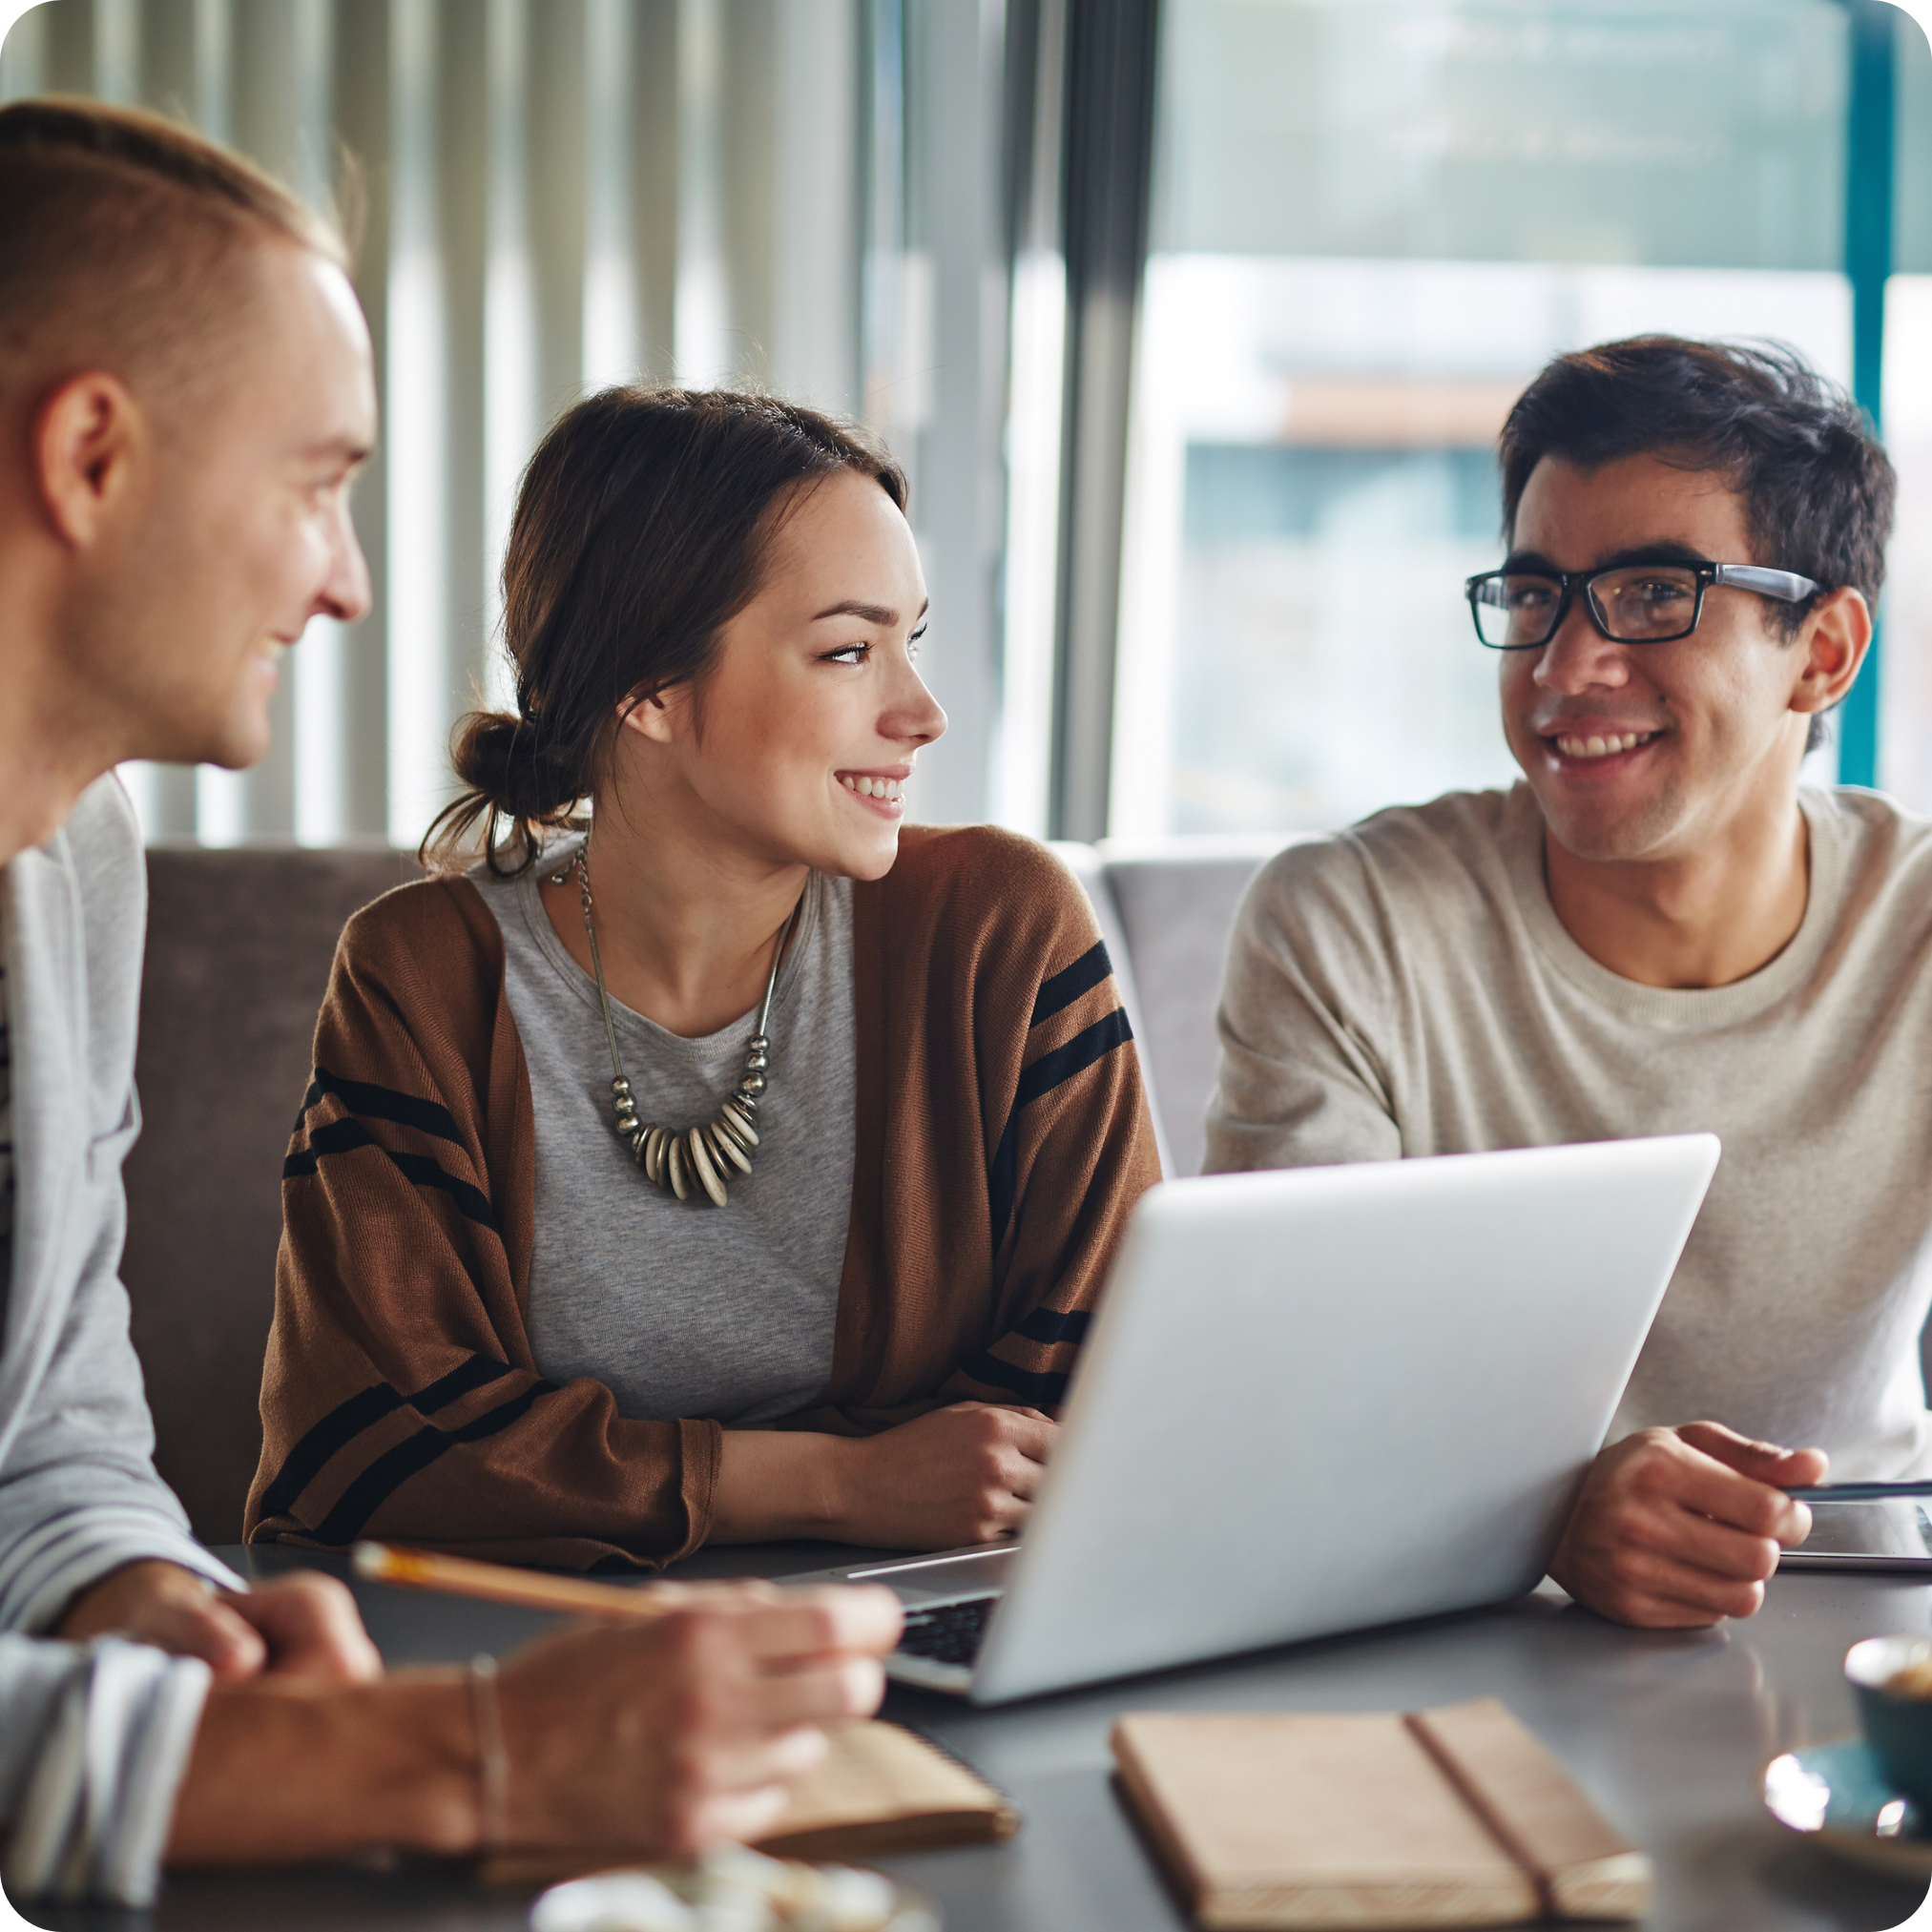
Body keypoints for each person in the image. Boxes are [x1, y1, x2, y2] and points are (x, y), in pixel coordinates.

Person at [0, 96, 897, 1908]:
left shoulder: (72, 851)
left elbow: (46, 1437)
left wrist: (149, 1605)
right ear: (93, 456)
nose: (345, 579)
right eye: (317, 483)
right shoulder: (426, 967)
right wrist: (451, 1756)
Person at [245, 385, 1162, 1568]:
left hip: (926, 1618)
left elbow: (1107, 1399)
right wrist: (845, 1479)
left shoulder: (998, 932)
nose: (921, 712)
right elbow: (365, 1453)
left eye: (911, 640)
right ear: (649, 689)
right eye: (848, 650)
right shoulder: (421, 978)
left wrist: (570, 1471)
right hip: (557, 1657)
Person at [1205, 335, 1915, 1631]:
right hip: (1439, 1620)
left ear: (1820, 653)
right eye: (1537, 597)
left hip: (1860, 1631)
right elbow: (1272, 1401)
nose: (1566, 667)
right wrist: (1545, 1511)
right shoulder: (1353, 922)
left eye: (1651, 595)